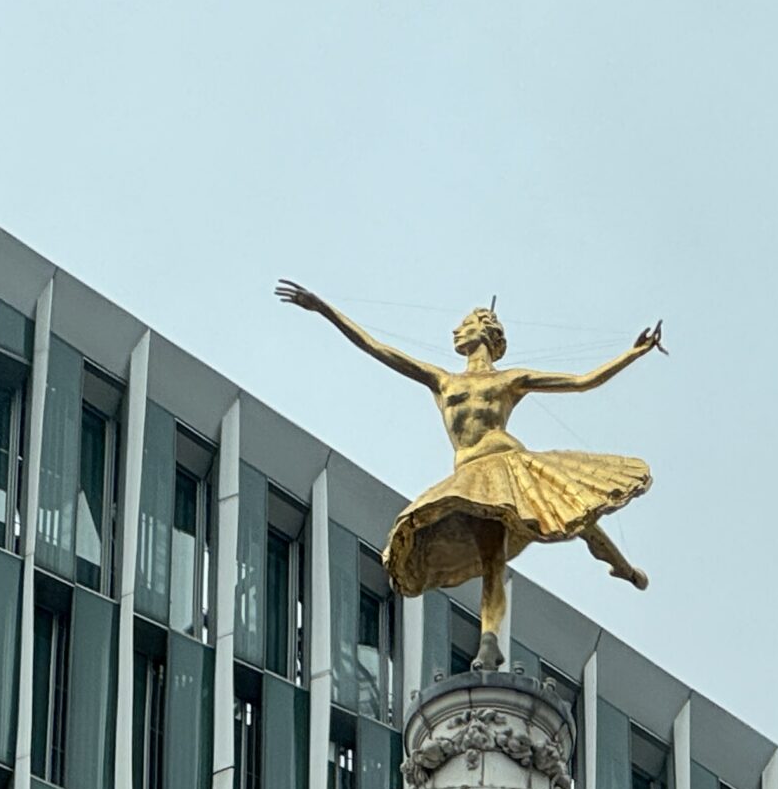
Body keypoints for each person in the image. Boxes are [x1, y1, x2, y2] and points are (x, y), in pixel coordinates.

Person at [277, 282, 662, 669]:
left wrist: (632, 354)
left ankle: (621, 567)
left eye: (465, 324)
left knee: (570, 509)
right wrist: (325, 309)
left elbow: (581, 382)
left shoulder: (509, 380)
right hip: (472, 475)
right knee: (493, 558)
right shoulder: (443, 380)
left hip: (508, 462)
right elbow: (378, 348)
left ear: (486, 332)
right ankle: (490, 639)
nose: (456, 330)